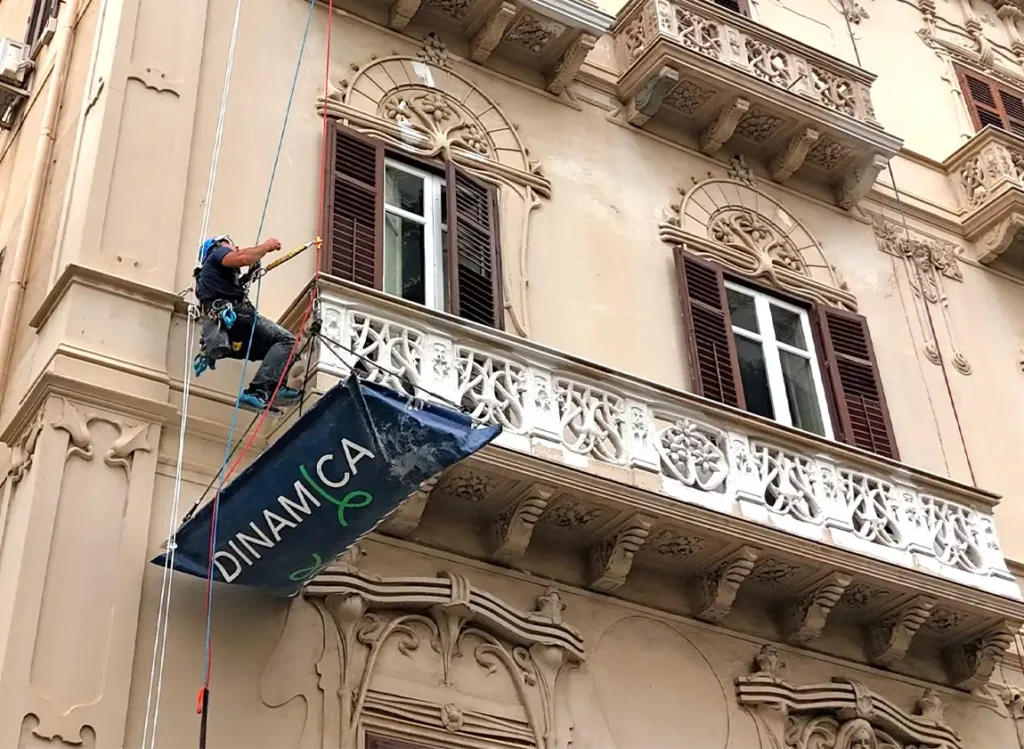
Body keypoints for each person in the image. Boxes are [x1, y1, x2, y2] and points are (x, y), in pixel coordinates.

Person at [195, 235, 301, 411]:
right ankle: (257, 391)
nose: (235, 245)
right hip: (235, 321)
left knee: (280, 352)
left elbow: (244, 262)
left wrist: (252, 267)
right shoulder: (217, 254)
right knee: (287, 341)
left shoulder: (217, 277)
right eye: (230, 242)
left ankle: (271, 389)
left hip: (232, 334)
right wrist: (266, 247)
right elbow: (242, 258)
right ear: (217, 246)